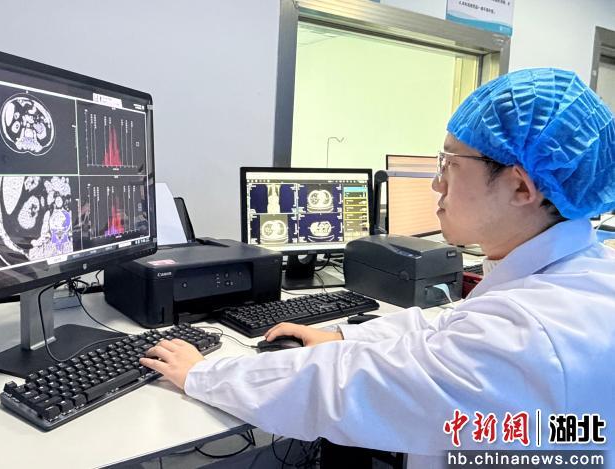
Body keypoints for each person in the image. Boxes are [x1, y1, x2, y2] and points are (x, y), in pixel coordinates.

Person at [140, 68, 615, 468]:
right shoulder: (579, 273)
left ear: (521, 188)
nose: (437, 184)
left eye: (449, 164)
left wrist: (204, 374)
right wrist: (342, 336)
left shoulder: (526, 337)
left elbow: (345, 387)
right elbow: (444, 328)